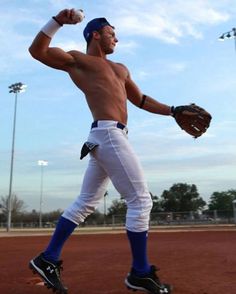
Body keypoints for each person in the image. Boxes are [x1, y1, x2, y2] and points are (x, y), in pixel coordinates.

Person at [29, 8, 173, 294]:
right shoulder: (78, 60)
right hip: (107, 133)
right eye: (111, 33)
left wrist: (174, 110)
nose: (116, 39)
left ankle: (48, 258)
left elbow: (141, 100)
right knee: (141, 201)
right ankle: (140, 273)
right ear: (95, 34)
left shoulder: (120, 69)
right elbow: (38, 51)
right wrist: (58, 21)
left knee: (86, 202)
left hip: (111, 136)